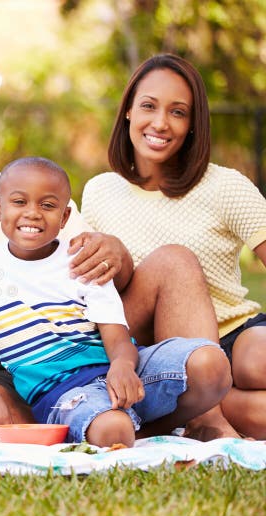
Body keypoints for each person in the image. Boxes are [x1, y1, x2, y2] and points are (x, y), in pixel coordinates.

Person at [0, 87, 239, 440]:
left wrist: (114, 252)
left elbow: (108, 279)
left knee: (175, 261)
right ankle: (85, 422)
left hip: (81, 344)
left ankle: (203, 418)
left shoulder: (35, 188)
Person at [0, 156, 230, 446]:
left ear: (64, 217)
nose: (33, 213)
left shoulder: (81, 258)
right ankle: (125, 430)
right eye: (19, 202)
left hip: (119, 374)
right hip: (64, 393)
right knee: (113, 428)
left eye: (47, 205)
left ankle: (143, 428)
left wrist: (123, 366)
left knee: (212, 364)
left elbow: (117, 337)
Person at [82, 53, 266, 439]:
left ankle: (208, 408)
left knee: (258, 362)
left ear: (193, 124)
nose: (161, 123)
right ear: (129, 111)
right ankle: (206, 413)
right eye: (149, 106)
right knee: (175, 259)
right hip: (153, 347)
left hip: (233, 332)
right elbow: (91, 289)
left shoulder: (224, 186)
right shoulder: (100, 191)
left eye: (178, 112)